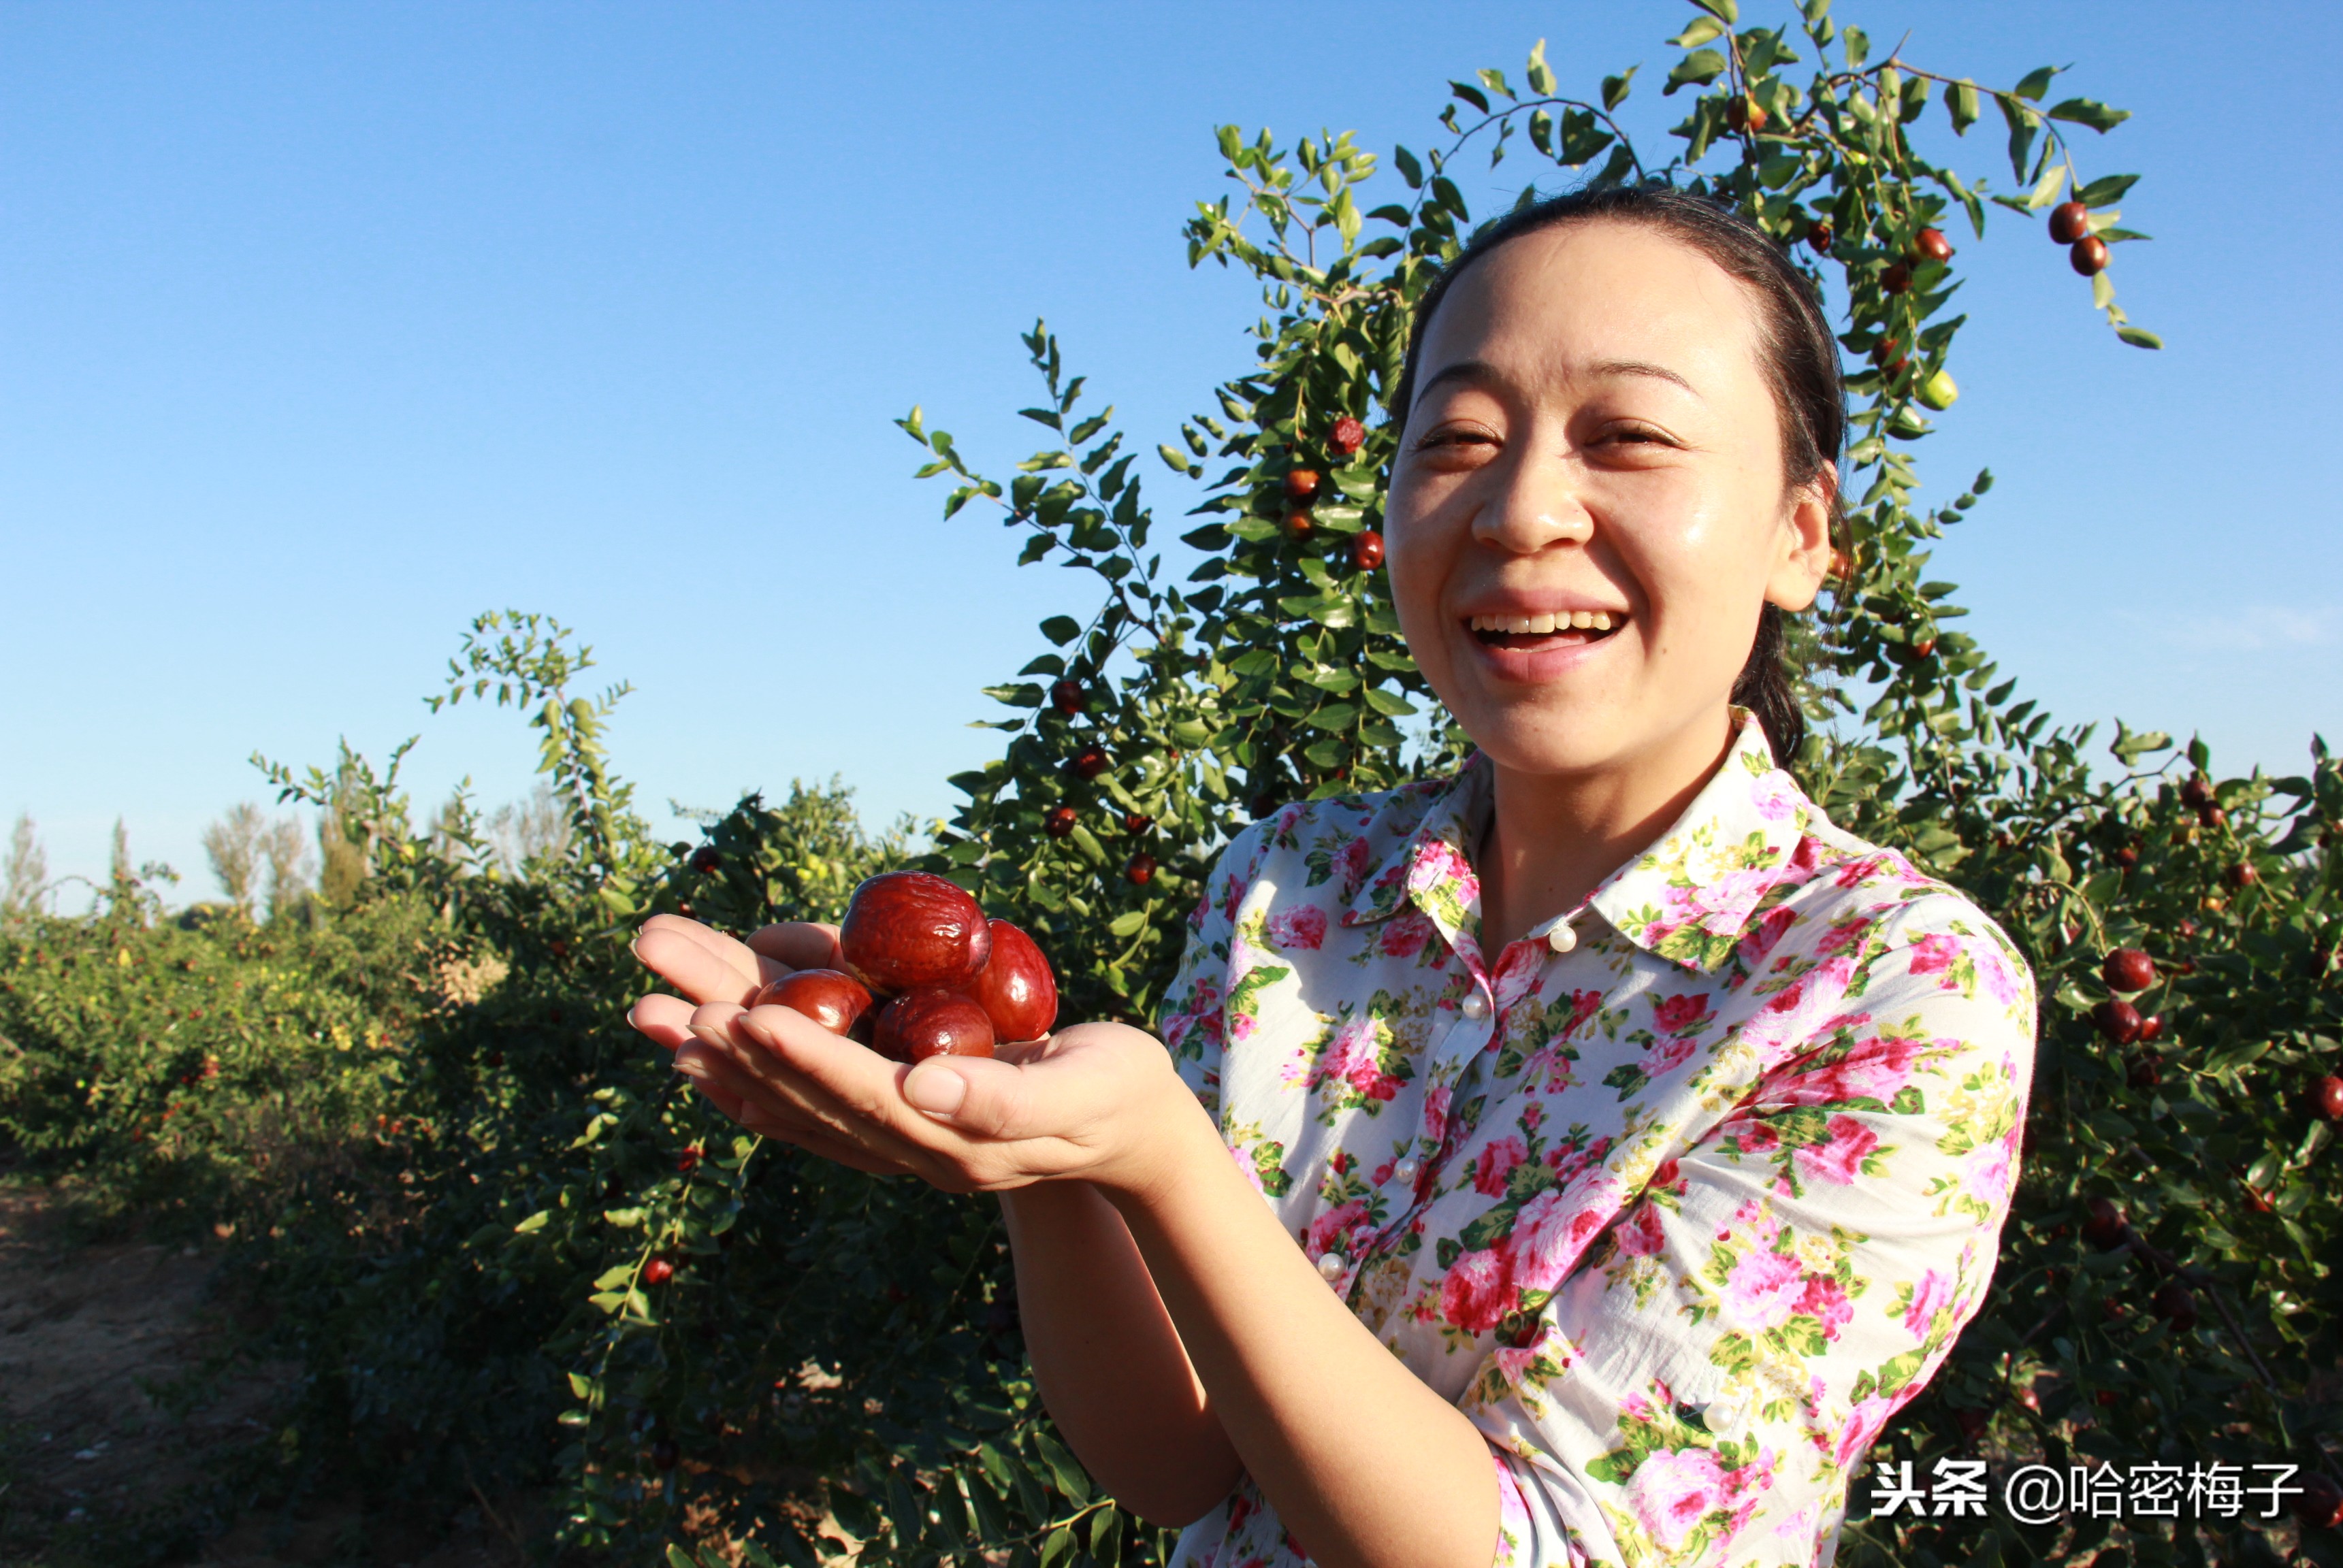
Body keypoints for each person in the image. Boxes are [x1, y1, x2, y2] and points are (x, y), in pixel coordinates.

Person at [628, 184, 2035, 1568]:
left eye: (1631, 436)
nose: (1524, 507)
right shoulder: (1296, 883)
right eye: (1460, 438)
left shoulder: (1890, 990)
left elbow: (1554, 1550)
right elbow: (1177, 1468)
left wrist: (1164, 1167)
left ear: (1801, 533)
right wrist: (1048, 1165)